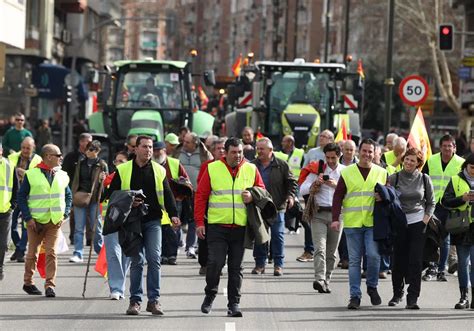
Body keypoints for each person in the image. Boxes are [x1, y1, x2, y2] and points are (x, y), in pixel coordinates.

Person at [108, 135, 179, 315]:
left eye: (150, 147)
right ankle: (135, 301)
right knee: (137, 261)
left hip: (153, 220)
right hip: (131, 222)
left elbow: (168, 195)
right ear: (135, 149)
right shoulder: (123, 169)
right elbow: (112, 195)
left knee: (154, 258)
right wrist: (128, 202)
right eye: (145, 147)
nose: (148, 150)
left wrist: (174, 215)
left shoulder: (159, 170)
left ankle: (154, 300)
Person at [195, 137, 265, 317]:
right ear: (225, 153)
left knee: (236, 268)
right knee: (215, 263)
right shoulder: (212, 168)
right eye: (234, 152)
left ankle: (234, 304)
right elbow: (201, 196)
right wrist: (200, 223)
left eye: (240, 152)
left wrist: (252, 196)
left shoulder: (251, 168)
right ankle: (210, 294)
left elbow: (262, 191)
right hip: (217, 226)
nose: (237, 155)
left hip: (241, 228)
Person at [331, 138, 388, 309]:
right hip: (353, 224)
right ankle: (354, 296)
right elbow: (338, 196)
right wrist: (335, 219)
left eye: (370, 151)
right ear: (359, 152)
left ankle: (372, 286)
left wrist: (383, 196)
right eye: (364, 151)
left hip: (373, 223)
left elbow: (390, 196)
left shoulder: (381, 173)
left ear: (375, 153)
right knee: (354, 261)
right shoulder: (347, 173)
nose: (367, 154)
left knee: (373, 255)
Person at [19, 144, 72, 297]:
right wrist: (28, 218)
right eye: (58, 155)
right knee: (32, 254)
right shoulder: (31, 174)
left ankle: (50, 285)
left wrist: (65, 214)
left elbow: (68, 196)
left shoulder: (62, 175)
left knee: (52, 253)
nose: (61, 157)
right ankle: (28, 282)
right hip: (35, 222)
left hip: (54, 222)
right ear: (48, 156)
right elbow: (21, 197)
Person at [387, 148, 435, 309]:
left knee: (415, 261)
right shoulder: (394, 177)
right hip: (399, 224)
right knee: (398, 260)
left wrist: (425, 220)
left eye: (412, 160)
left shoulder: (424, 178)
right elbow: (388, 201)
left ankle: (412, 297)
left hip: (418, 223)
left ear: (418, 164)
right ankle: (397, 293)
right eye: (406, 159)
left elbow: (431, 202)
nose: (408, 162)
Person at [300, 143, 345, 293]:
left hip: (337, 216)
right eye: (328, 157)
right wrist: (314, 184)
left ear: (339, 156)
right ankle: (319, 278)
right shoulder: (317, 169)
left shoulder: (345, 172)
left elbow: (351, 192)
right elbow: (302, 189)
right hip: (318, 214)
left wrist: (336, 185)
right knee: (320, 248)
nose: (330, 161)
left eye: (334, 157)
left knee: (331, 253)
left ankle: (326, 279)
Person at [252, 137, 297, 276]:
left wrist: (291, 196)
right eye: (257, 148)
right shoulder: (252, 165)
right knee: (261, 236)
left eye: (262, 149)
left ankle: (278, 265)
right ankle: (260, 264)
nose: (259, 151)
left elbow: (292, 182)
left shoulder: (282, 165)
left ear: (271, 150)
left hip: (277, 207)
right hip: (259, 207)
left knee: (277, 235)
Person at [422, 134, 464, 282]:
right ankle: (432, 266)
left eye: (450, 146)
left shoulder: (461, 163)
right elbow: (423, 179)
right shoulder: (431, 160)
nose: (447, 149)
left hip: (452, 204)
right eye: (444, 146)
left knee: (445, 238)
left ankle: (441, 269)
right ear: (440, 147)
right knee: (432, 236)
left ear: (454, 148)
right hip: (433, 204)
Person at [441, 154, 474, 309]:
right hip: (461, 227)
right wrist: (463, 198)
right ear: (466, 166)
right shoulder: (455, 180)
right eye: (472, 167)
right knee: (462, 263)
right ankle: (463, 297)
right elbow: (445, 201)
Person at [69, 140, 108, 263]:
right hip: (81, 197)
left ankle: (99, 251)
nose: (87, 152)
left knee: (96, 228)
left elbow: (106, 184)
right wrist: (73, 195)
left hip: (95, 199)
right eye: (87, 149)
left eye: (91, 149)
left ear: (97, 151)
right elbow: (76, 180)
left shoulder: (102, 164)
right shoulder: (81, 163)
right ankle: (78, 253)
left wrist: (103, 179)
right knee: (79, 228)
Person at [153, 141, 190, 265]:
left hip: (174, 201)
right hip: (157, 202)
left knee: (173, 228)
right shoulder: (150, 164)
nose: (157, 153)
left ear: (165, 151)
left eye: (160, 150)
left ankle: (172, 255)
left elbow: (186, 180)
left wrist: (181, 190)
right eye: (155, 150)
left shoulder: (174, 163)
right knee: (161, 229)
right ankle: (163, 254)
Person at [177, 132, 212, 258]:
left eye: (187, 142)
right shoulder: (178, 151)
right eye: (184, 141)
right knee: (177, 217)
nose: (184, 144)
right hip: (179, 191)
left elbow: (211, 168)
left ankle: (190, 246)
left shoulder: (204, 153)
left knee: (194, 220)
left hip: (196, 192)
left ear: (195, 143)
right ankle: (176, 243)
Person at [196, 137, 227, 275]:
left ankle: (218, 264)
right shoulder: (207, 166)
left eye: (223, 149)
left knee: (221, 240)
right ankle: (204, 264)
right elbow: (201, 187)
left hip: (225, 209)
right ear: (213, 152)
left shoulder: (230, 167)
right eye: (218, 149)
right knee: (204, 237)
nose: (221, 151)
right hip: (208, 206)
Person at [9, 137, 42, 263]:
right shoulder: (12, 157)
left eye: (28, 148)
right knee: (11, 226)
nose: (25, 150)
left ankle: (21, 250)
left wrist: (24, 172)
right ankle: (18, 248)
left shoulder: (38, 159)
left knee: (25, 226)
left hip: (29, 197)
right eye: (23, 147)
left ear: (33, 148)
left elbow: (38, 177)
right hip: (13, 196)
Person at [102, 151, 130, 300]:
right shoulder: (108, 179)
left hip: (129, 220)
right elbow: (101, 198)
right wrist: (100, 183)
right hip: (111, 221)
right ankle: (116, 288)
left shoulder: (132, 176)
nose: (118, 163)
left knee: (126, 254)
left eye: (121, 161)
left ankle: (121, 283)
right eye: (116, 161)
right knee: (113, 253)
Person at [62, 132, 93, 244]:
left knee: (90, 217)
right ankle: (74, 238)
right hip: (75, 191)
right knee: (75, 216)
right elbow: (64, 174)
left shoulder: (93, 157)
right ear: (81, 142)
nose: (90, 143)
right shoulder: (71, 157)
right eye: (88, 141)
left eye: (91, 141)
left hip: (90, 192)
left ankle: (90, 239)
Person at [0, 143, 17, 280]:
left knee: (3, 243)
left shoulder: (9, 165)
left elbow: (16, 187)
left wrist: (13, 205)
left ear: (1, 151)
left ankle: (0, 267)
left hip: (5, 211)